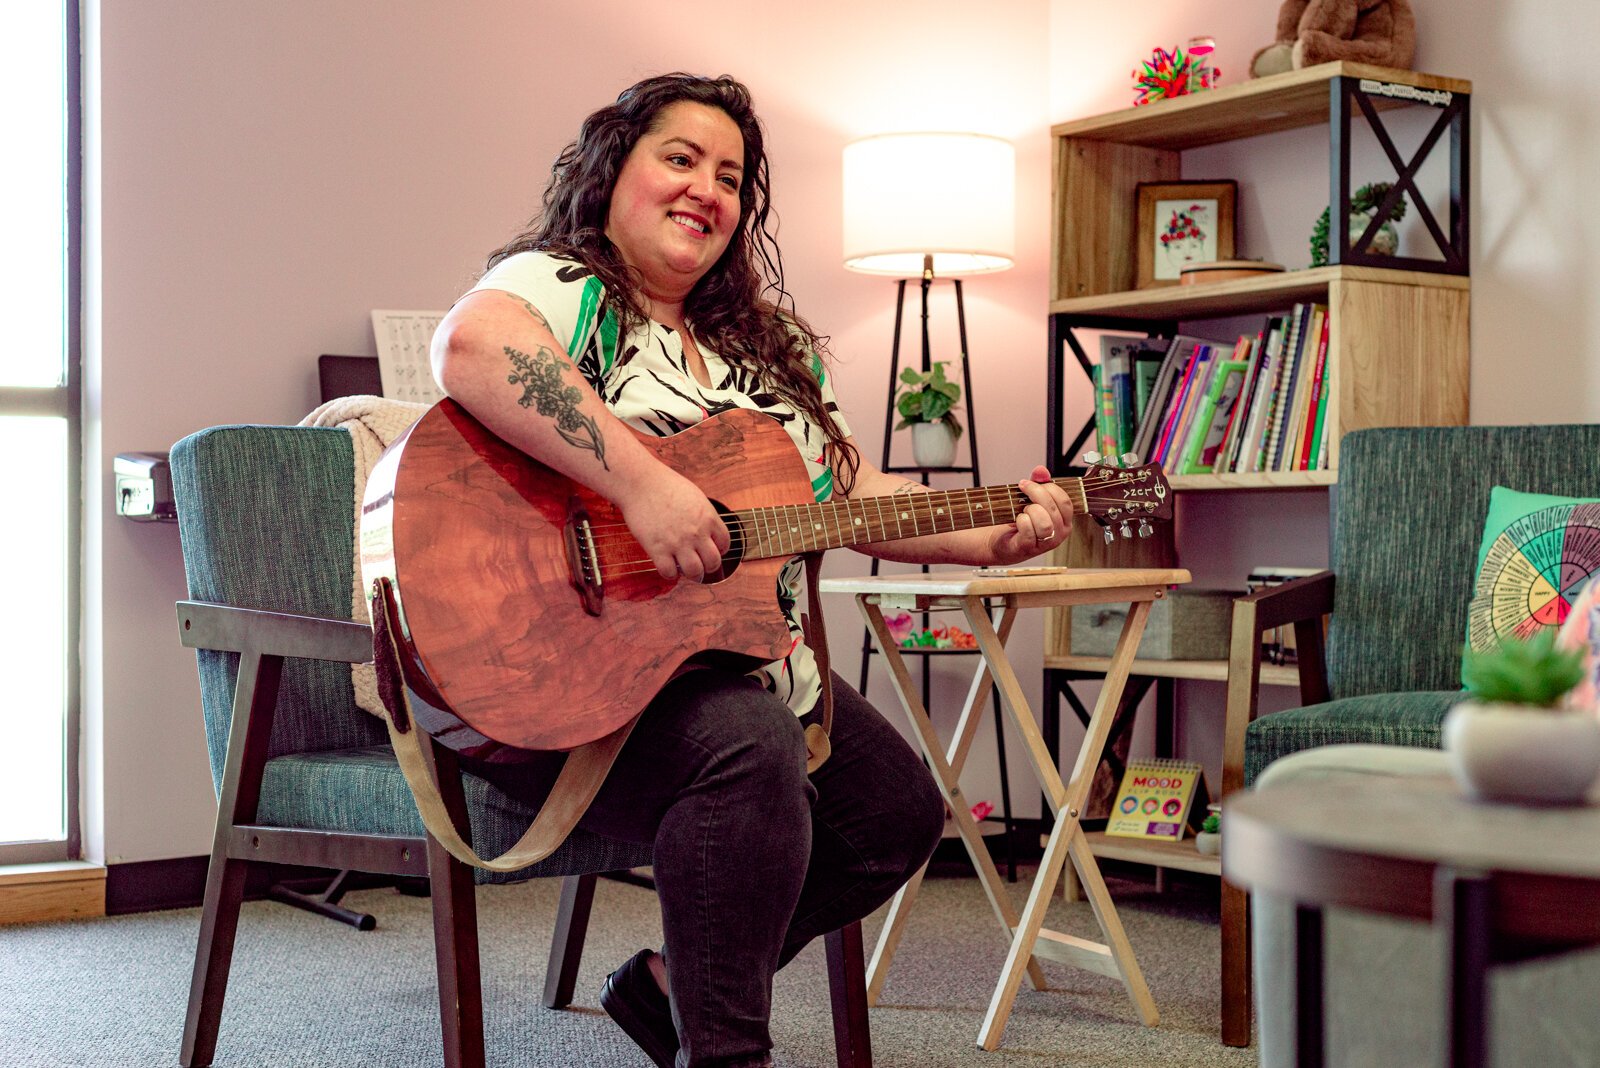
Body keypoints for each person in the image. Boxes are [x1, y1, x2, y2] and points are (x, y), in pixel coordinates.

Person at [431, 72, 1074, 1068]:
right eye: (679, 158)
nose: (705, 189)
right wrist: (643, 485)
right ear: (612, 171)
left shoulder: (763, 355)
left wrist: (994, 536)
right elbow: (473, 346)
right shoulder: (566, 287)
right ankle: (728, 1053)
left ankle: (663, 991)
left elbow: (853, 492)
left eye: (729, 176)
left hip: (732, 667)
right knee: (749, 742)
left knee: (895, 811)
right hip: (565, 684)